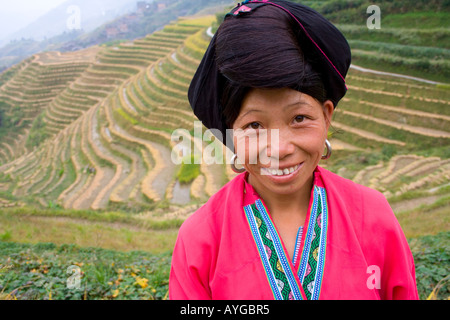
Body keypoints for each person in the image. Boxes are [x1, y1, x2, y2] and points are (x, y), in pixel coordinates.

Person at [169, 0, 419, 300]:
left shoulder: (375, 217)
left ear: (327, 116)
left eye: (299, 118)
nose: (280, 149)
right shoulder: (199, 241)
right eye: (254, 126)